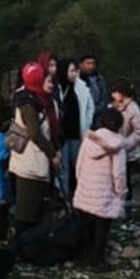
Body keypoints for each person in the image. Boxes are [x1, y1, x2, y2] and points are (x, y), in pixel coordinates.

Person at [73, 107, 129, 271]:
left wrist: (80, 181)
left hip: (86, 187)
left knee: (87, 224)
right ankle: (98, 260)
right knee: (102, 227)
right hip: (105, 192)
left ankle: (85, 255)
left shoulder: (90, 139)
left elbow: (79, 163)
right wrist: (121, 192)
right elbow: (119, 173)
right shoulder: (118, 145)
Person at [8, 61, 61, 232]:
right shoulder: (29, 104)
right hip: (31, 162)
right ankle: (23, 246)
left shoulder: (36, 98)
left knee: (37, 205)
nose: (52, 85)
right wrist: (52, 153)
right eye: (48, 81)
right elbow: (35, 133)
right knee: (27, 209)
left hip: (32, 159)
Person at [57, 59, 94, 204]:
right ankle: (65, 198)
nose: (74, 74)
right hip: (63, 136)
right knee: (64, 168)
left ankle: (82, 196)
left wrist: (87, 122)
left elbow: (90, 106)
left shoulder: (81, 87)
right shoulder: (58, 87)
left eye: (75, 71)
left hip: (77, 134)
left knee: (80, 166)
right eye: (71, 71)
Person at [109, 78, 140, 204]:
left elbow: (139, 130)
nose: (112, 95)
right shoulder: (113, 106)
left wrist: (126, 144)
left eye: (115, 92)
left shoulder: (133, 109)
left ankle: (128, 205)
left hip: (128, 152)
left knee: (126, 179)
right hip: (115, 149)